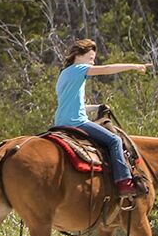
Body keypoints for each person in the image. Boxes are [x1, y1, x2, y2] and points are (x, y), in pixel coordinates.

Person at [53, 38, 149, 197]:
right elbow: (107, 68)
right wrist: (134, 66)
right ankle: (124, 182)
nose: (93, 61)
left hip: (60, 122)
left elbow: (75, 105)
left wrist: (97, 107)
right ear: (79, 55)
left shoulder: (64, 74)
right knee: (115, 140)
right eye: (91, 58)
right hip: (76, 122)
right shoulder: (79, 69)